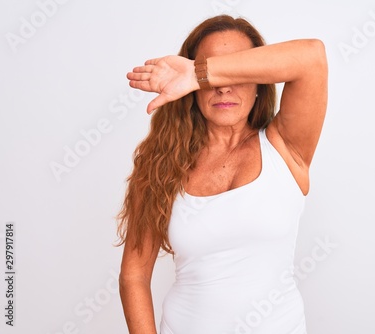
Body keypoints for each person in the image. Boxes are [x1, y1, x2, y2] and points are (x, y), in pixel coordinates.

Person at [117, 14, 328, 334]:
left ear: (259, 81)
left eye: (236, 69)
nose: (223, 86)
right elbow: (134, 274)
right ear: (191, 89)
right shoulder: (161, 164)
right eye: (210, 73)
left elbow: (312, 57)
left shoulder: (285, 147)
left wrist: (200, 72)